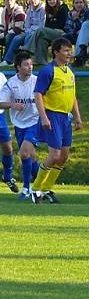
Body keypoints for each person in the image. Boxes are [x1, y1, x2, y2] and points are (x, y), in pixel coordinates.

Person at [30, 38, 83, 204]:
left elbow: (72, 96)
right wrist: (44, 117)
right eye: (66, 50)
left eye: (70, 50)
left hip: (65, 117)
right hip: (52, 115)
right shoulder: (48, 71)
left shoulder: (69, 72)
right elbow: (38, 94)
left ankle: (46, 189)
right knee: (54, 155)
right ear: (56, 52)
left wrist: (77, 116)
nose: (69, 54)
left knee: (64, 156)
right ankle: (36, 189)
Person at [0, 52, 40, 199]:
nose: (30, 67)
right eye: (26, 65)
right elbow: (0, 102)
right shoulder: (11, 83)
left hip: (35, 122)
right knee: (31, 156)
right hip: (19, 123)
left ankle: (26, 188)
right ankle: (40, 180)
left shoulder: (37, 81)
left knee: (23, 153)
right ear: (18, 67)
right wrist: (12, 104)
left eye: (31, 64)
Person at [1, 0, 45, 67]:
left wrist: (4, 34)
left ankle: (23, 61)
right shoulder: (29, 9)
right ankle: (7, 60)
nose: (32, 0)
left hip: (35, 32)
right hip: (28, 31)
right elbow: (27, 25)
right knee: (17, 38)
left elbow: (41, 25)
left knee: (12, 37)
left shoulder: (43, 9)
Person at [25, 0, 68, 65]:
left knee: (41, 30)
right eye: (49, 0)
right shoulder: (48, 10)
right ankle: (42, 61)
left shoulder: (63, 8)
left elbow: (62, 24)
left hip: (62, 33)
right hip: (51, 33)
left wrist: (53, 27)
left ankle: (28, 48)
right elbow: (47, 25)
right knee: (42, 39)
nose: (51, 1)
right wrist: (52, 27)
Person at [0, 64, 16, 195]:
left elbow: (9, 94)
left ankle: (7, 176)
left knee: (8, 148)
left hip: (0, 117)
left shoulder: (1, 77)